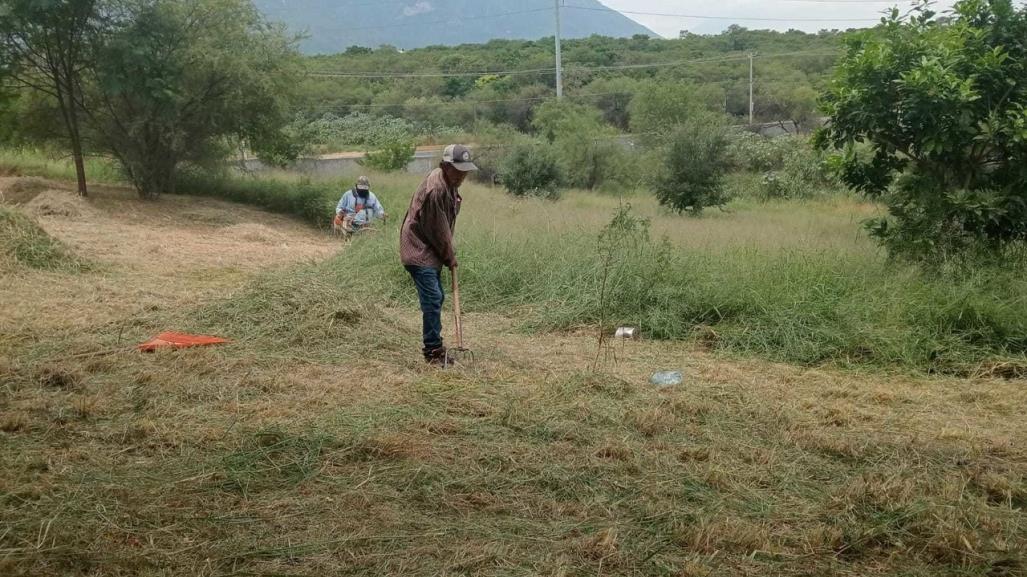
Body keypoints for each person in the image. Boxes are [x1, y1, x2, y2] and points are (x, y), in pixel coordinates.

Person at [399, 144, 478, 365]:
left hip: (430, 249)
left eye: (465, 171)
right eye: (458, 170)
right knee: (433, 298)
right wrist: (449, 255)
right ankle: (433, 351)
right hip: (418, 249)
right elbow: (438, 229)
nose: (462, 175)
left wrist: (447, 252)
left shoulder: (450, 182)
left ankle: (434, 343)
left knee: (437, 297)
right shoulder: (436, 188)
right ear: (445, 165)